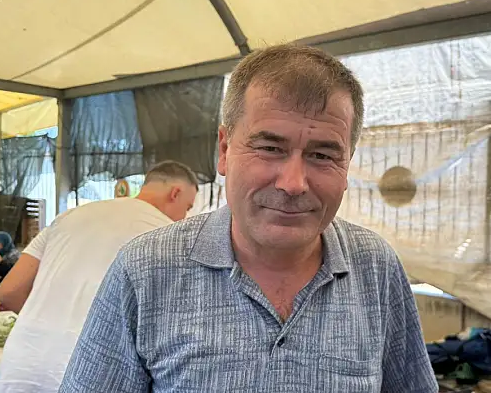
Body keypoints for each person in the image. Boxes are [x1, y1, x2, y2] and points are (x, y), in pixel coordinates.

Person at [60, 44, 438, 393]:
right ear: (225, 150)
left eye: (322, 156)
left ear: (347, 164)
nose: (293, 183)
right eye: (270, 148)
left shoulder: (375, 268)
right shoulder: (146, 271)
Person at [0, 160, 199, 393]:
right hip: (91, 373)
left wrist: (48, 322)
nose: (185, 217)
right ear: (175, 193)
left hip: (22, 365)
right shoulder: (168, 236)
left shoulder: (68, 217)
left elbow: (9, 292)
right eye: (187, 207)